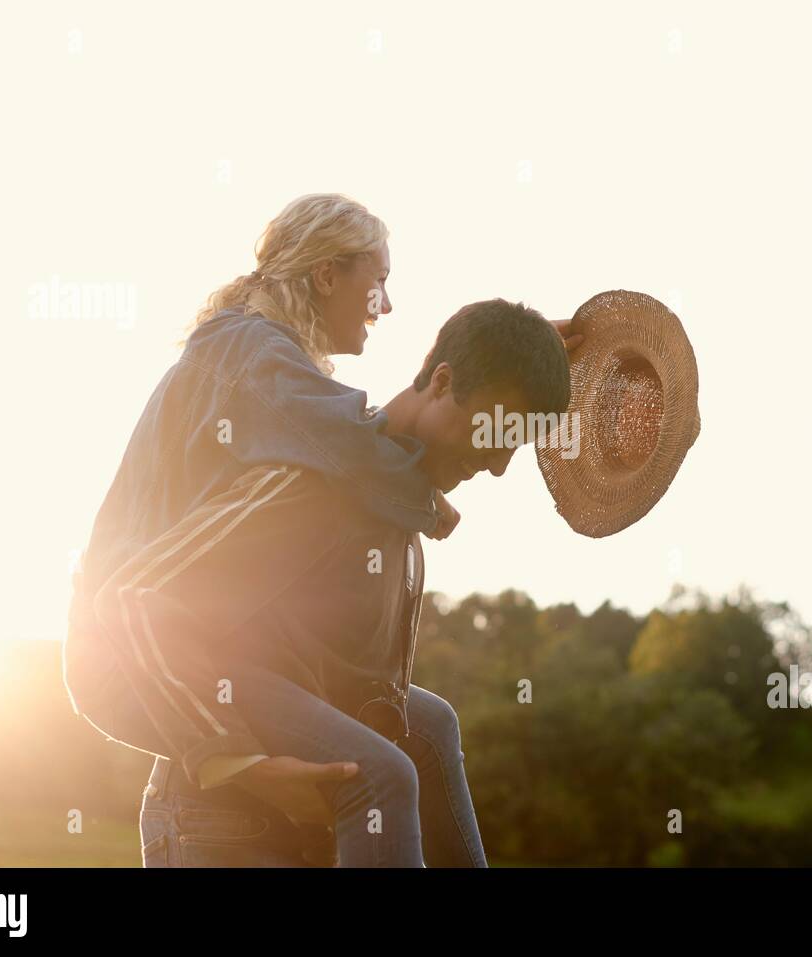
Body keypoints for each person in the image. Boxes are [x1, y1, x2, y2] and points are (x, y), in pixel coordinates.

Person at [98, 299, 572, 867]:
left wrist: (525, 344)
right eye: (495, 430)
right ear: (442, 382)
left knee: (428, 727)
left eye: (514, 445)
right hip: (218, 824)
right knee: (387, 772)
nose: (498, 465)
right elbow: (134, 598)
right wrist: (231, 760)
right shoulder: (315, 486)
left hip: (305, 829)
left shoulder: (390, 498)